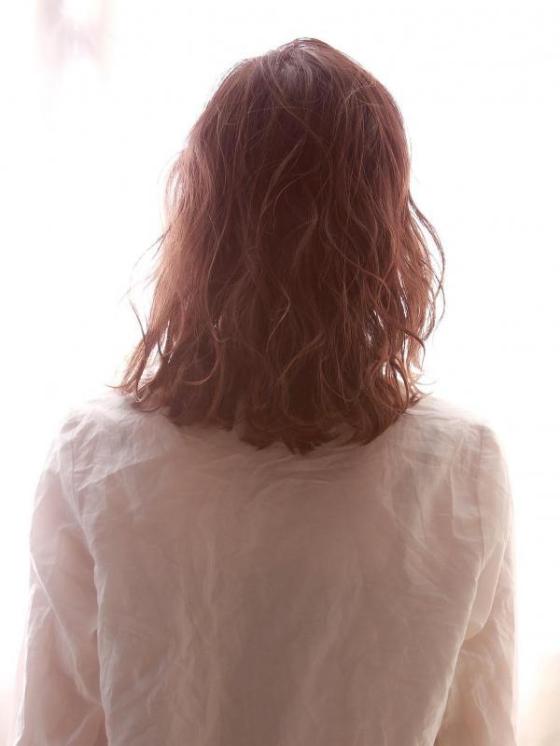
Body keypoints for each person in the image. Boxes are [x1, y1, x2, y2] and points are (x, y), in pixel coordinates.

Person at [9, 37, 518, 745]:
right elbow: (478, 733)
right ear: (387, 232)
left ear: (203, 223)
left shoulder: (94, 454)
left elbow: (56, 732)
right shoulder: (461, 465)